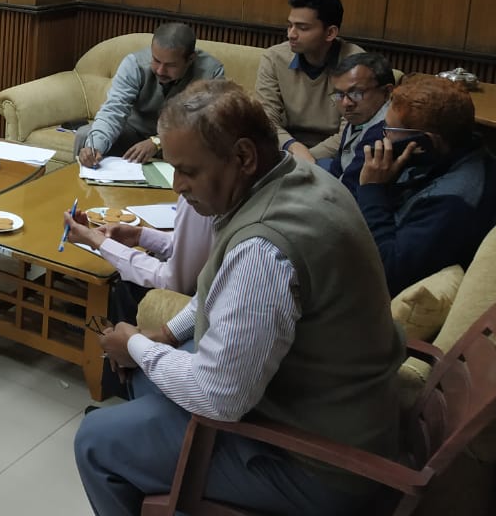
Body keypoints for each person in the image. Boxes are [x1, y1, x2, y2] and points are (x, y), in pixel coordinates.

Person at [76, 81, 403, 516]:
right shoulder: (298, 180)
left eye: (188, 170)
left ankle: (137, 456)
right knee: (143, 379)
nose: (177, 186)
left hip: (318, 466)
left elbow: (219, 398)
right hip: (335, 412)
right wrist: (167, 334)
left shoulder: (264, 248)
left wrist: (133, 342)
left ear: (244, 157)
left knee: (95, 441)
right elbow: (222, 285)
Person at [357, 74, 496, 296]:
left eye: (389, 131)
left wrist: (372, 189)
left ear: (426, 142)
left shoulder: (454, 200)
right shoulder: (454, 153)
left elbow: (389, 273)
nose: (383, 139)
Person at [75, 23, 224, 168]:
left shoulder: (211, 73)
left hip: (181, 140)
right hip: (134, 133)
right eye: (156, 60)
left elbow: (204, 124)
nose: (160, 70)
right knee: (86, 136)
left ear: (190, 59)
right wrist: (94, 147)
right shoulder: (134, 64)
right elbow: (114, 110)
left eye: (170, 65)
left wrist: (158, 141)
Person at [63, 193, 213, 324]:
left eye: (186, 171)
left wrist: (98, 241)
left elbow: (175, 283)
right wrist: (139, 236)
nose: (176, 185)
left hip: (201, 308)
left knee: (127, 288)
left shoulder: (201, 200)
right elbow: (194, 245)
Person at [255, 0, 364, 163]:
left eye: (302, 28)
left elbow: (351, 131)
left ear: (330, 33)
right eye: (289, 26)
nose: (291, 34)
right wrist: (292, 146)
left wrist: (308, 158)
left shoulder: (357, 65)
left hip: (335, 155)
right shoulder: (274, 58)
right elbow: (265, 119)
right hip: (284, 147)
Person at [323, 52, 394, 198]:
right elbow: (337, 169)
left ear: (387, 92)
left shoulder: (385, 132)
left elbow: (348, 193)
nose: (346, 103)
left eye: (356, 93)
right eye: (339, 94)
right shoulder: (364, 115)